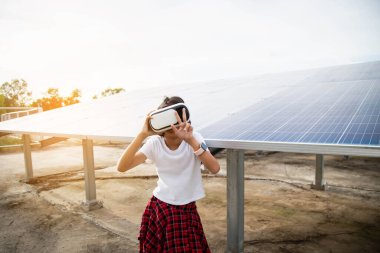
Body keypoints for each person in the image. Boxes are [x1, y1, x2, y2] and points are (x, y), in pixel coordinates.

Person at [117, 96, 220, 253]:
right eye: (166, 118)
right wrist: (142, 135)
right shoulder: (155, 143)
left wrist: (191, 140)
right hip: (161, 207)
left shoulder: (194, 138)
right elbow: (122, 167)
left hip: (187, 208)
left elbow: (215, 168)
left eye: (176, 116)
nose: (172, 123)